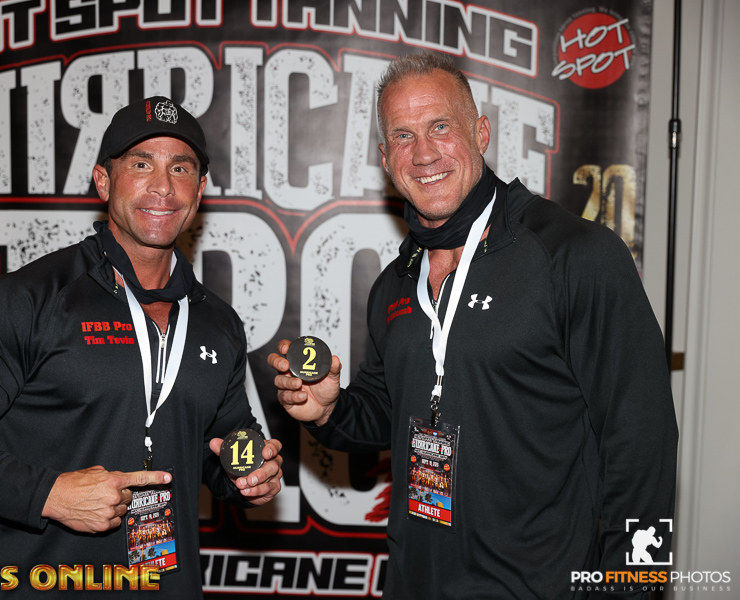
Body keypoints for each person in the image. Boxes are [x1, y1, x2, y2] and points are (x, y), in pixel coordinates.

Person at [268, 53, 678, 598]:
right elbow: (386, 412)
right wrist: (329, 411)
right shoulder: (395, 283)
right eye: (403, 136)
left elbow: (643, 441)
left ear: (480, 132)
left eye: (440, 127)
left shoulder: (574, 255)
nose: (424, 153)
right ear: (386, 159)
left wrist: (632, 587)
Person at [0, 96, 282, 598]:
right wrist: (49, 494)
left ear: (200, 188)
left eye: (180, 168)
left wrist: (249, 473)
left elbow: (223, 440)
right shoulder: (32, 298)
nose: (163, 186)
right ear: (104, 181)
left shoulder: (217, 321)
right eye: (141, 164)